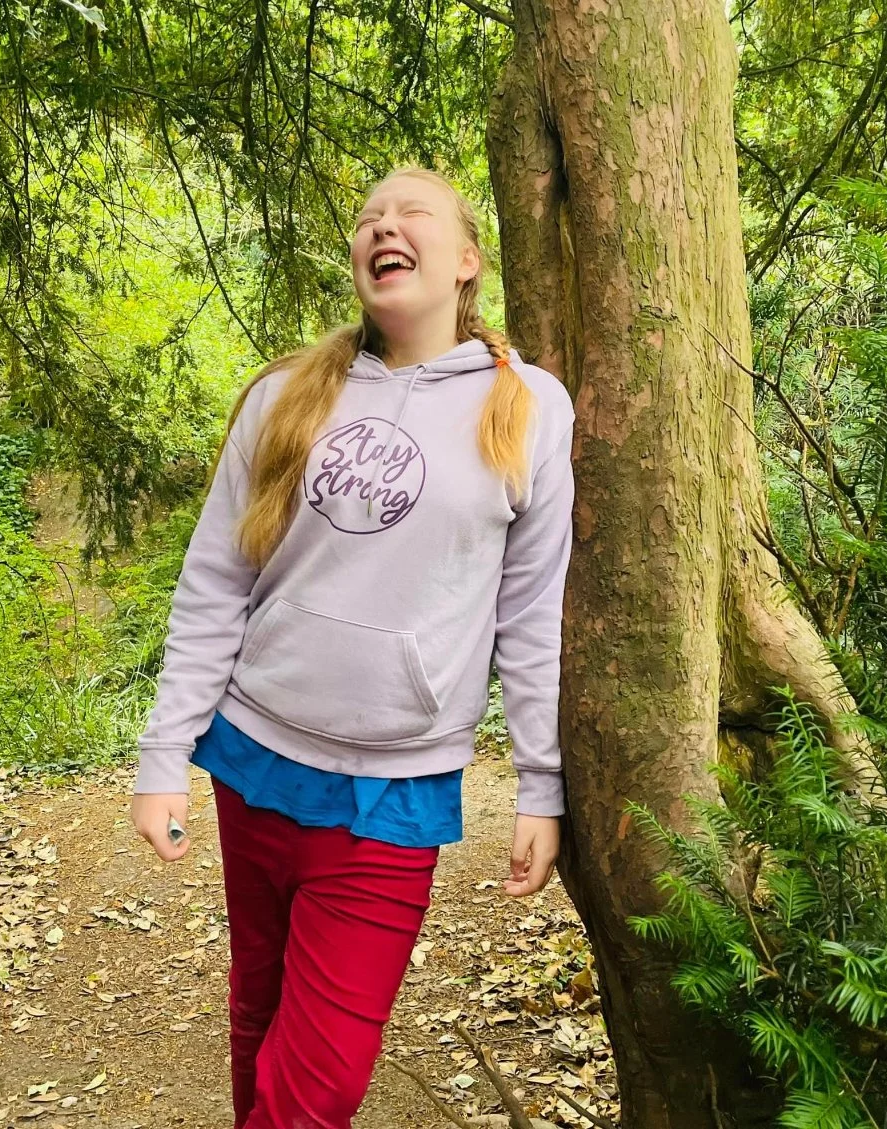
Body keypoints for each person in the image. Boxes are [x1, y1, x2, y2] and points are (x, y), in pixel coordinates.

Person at [130, 165, 576, 1129]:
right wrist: (163, 754)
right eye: (370, 216)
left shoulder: (529, 406)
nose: (383, 224)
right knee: (259, 1012)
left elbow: (530, 614)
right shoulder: (285, 394)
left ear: (466, 260)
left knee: (319, 1082)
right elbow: (215, 580)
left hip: (393, 791)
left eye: (411, 211)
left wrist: (540, 783)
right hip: (253, 756)